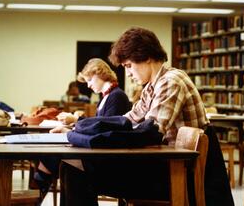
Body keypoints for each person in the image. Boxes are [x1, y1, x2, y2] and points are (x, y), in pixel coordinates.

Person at [59, 27, 234, 206]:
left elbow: (151, 131)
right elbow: (128, 119)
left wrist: (90, 132)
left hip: (177, 174)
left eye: (128, 66)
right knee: (72, 165)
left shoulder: (171, 82)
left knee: (77, 170)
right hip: (165, 164)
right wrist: (81, 125)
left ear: (147, 57)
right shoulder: (152, 86)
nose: (127, 73)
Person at [34, 58, 132, 199]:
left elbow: (105, 130)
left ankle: (38, 187)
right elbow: (100, 125)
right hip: (99, 149)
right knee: (59, 156)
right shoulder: (107, 96)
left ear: (99, 74)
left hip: (107, 157)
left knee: (58, 156)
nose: (88, 85)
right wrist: (74, 125)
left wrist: (75, 124)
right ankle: (39, 187)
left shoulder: (117, 96)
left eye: (90, 80)